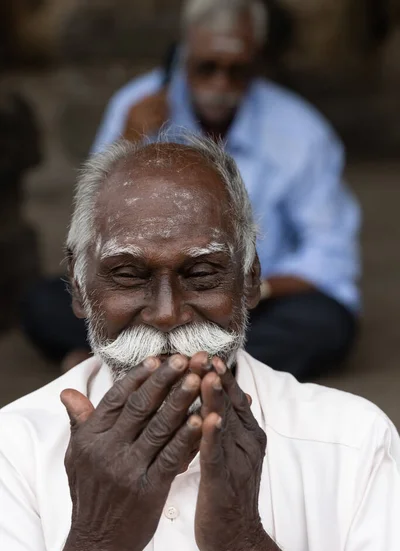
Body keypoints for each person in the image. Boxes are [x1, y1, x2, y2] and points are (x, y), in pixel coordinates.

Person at [1, 138, 399, 551]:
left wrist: (245, 546)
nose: (168, 314)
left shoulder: (352, 441)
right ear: (77, 286)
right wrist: (98, 544)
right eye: (129, 275)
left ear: (250, 279)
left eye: (202, 273)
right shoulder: (14, 449)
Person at [22, 0, 361, 380]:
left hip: (247, 299)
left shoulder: (301, 131)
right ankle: (210, 370)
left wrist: (250, 287)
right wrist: (131, 138)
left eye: (237, 72)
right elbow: (94, 230)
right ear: (184, 53)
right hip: (142, 297)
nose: (220, 84)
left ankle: (131, 368)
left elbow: (330, 258)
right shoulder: (138, 107)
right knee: (47, 302)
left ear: (258, 64)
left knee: (325, 324)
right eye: (207, 68)